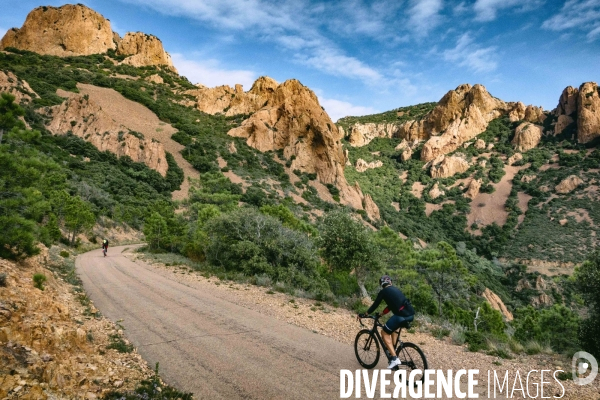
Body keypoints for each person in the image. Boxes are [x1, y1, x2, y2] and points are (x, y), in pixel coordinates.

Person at [359, 275, 415, 369]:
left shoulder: (383, 292)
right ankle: (394, 349)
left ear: (381, 284)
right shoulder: (395, 290)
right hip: (410, 315)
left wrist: (365, 314)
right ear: (390, 283)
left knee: (384, 333)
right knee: (393, 328)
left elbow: (375, 305)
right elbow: (390, 306)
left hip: (400, 316)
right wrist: (381, 314)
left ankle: (394, 358)